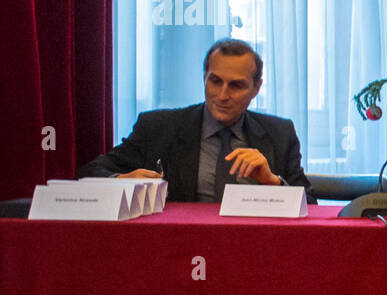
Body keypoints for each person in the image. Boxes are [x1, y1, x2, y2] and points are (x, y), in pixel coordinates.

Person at [79, 38, 314, 203]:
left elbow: (309, 205)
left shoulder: (279, 133)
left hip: (255, 249)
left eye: (236, 85)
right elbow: (87, 174)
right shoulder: (158, 128)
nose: (222, 95)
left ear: (256, 88)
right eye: (215, 81)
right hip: (177, 248)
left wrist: (272, 182)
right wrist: (121, 180)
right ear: (204, 78)